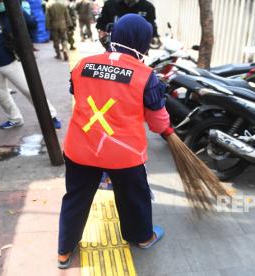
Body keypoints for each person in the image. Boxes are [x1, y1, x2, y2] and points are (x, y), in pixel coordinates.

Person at [57, 14, 172, 269]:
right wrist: (168, 131)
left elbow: (77, 93)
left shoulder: (82, 64)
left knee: (76, 196)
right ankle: (143, 237)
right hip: (124, 152)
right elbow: (157, 121)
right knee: (134, 196)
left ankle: (64, 251)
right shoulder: (145, 75)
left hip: (80, 147)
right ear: (143, 42)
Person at [0, 0, 62, 129]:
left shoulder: (13, 12)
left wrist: (18, 11)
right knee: (2, 96)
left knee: (30, 90)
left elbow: (32, 24)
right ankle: (15, 118)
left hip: (10, 61)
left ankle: (51, 116)